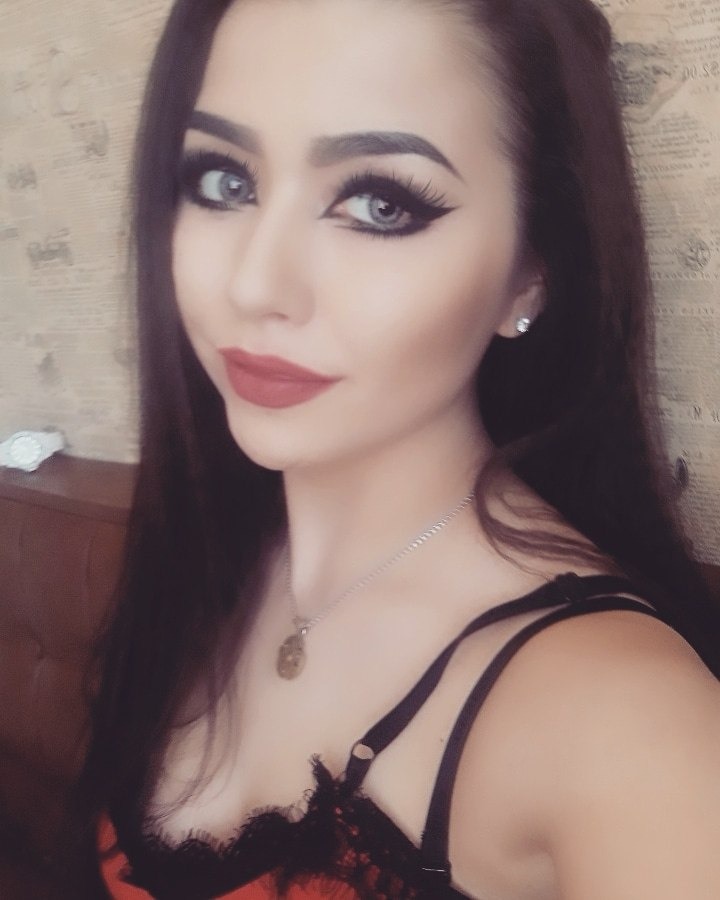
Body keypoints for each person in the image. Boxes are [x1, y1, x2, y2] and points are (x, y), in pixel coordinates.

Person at [69, 0, 720, 897]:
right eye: (222, 182)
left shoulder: (630, 728)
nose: (255, 285)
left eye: (380, 204)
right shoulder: (211, 555)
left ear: (532, 269)